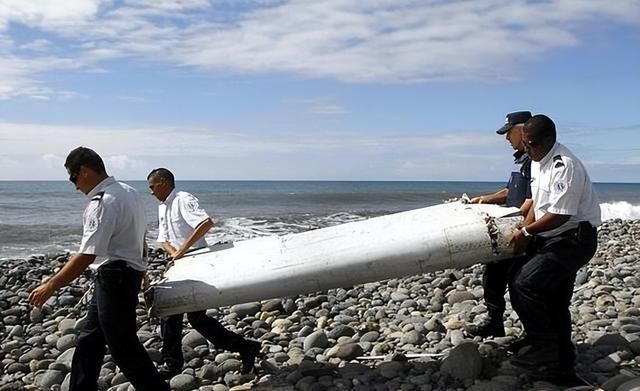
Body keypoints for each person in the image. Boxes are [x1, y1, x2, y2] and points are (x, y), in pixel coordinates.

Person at [28, 147, 170, 391]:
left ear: (83, 171)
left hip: (113, 278)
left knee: (123, 347)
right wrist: (141, 268)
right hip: (123, 275)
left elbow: (87, 254)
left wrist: (51, 285)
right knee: (90, 339)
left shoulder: (102, 202)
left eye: (73, 177)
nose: (74, 185)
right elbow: (138, 236)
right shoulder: (129, 193)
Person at [507, 114, 600, 381]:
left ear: (550, 140)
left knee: (526, 283)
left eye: (532, 144)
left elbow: (560, 214)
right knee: (553, 299)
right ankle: (562, 366)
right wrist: (524, 231)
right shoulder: (538, 160)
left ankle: (543, 347)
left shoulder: (564, 165)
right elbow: (537, 202)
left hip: (574, 239)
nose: (527, 149)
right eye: (525, 143)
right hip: (552, 237)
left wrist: (525, 231)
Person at [147, 168, 261, 379]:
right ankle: (173, 363)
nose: (151, 192)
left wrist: (182, 251)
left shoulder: (182, 199)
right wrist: (174, 254)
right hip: (180, 265)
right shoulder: (162, 207)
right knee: (174, 314)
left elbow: (205, 223)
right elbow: (163, 239)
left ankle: (244, 347)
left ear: (163, 183)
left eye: (152, 187)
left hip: (197, 262)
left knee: (194, 318)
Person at [469, 110, 533, 338]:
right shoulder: (520, 160)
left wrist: (520, 228)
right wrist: (485, 199)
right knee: (492, 275)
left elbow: (533, 199)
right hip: (511, 226)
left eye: (509, 133)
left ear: (523, 130)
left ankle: (532, 334)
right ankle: (494, 321)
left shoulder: (535, 160)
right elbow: (509, 191)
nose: (507, 138)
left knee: (521, 284)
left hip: (524, 230)